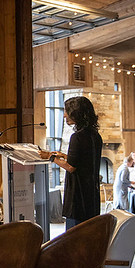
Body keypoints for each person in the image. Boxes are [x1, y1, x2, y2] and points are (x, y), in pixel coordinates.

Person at [40, 96, 102, 229]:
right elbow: (85, 161)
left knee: (74, 237)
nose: (64, 115)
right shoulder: (95, 135)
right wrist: (64, 156)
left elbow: (71, 167)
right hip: (92, 196)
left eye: (67, 111)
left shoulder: (77, 137)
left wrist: (50, 157)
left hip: (78, 197)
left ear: (76, 113)